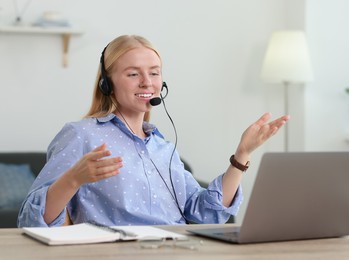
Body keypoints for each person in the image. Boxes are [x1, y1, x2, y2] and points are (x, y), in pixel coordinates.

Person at [17, 35, 289, 227]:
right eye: (133, 74)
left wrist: (241, 155)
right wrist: (73, 180)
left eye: (155, 73)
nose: (147, 82)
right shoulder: (82, 134)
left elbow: (207, 212)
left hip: (181, 248)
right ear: (107, 84)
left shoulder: (163, 146)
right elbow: (31, 220)